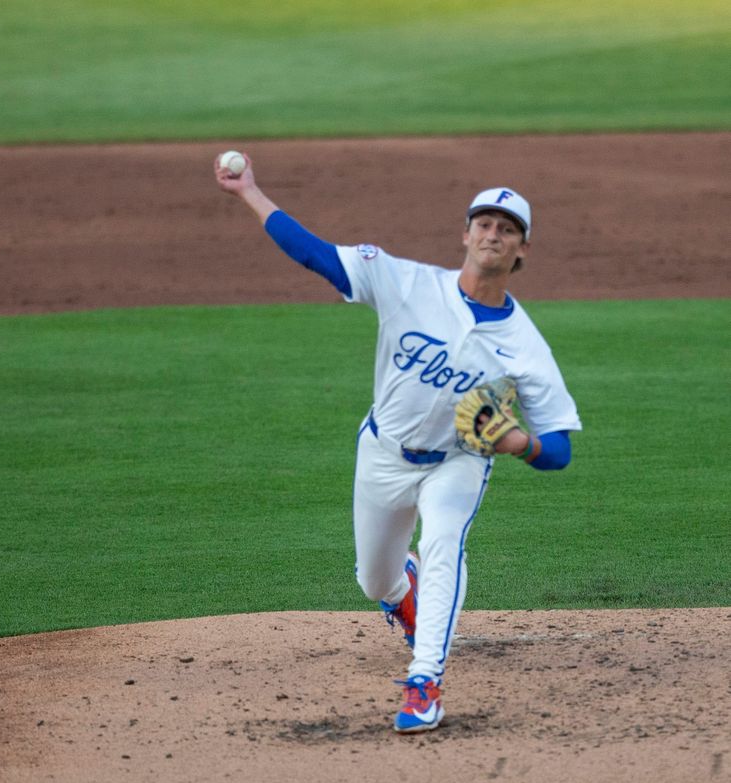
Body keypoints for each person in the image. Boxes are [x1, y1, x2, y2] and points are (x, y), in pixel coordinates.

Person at [214, 153, 582, 734]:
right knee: (374, 580)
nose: (493, 233)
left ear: (522, 250)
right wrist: (250, 193)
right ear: (465, 234)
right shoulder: (404, 281)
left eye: (507, 229)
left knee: (444, 546)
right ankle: (398, 595)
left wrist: (520, 444)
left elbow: (559, 448)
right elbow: (315, 254)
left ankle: (424, 682)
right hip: (383, 454)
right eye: (484, 223)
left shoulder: (526, 345)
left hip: (458, 463)